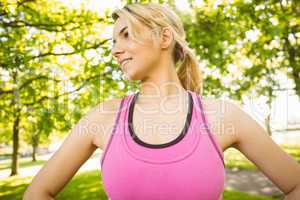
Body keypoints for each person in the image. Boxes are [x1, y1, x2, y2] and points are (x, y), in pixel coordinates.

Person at [23, 2, 300, 200]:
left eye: (126, 35)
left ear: (164, 37)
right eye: (113, 41)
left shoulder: (223, 117)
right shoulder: (102, 118)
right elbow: (37, 192)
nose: (115, 50)